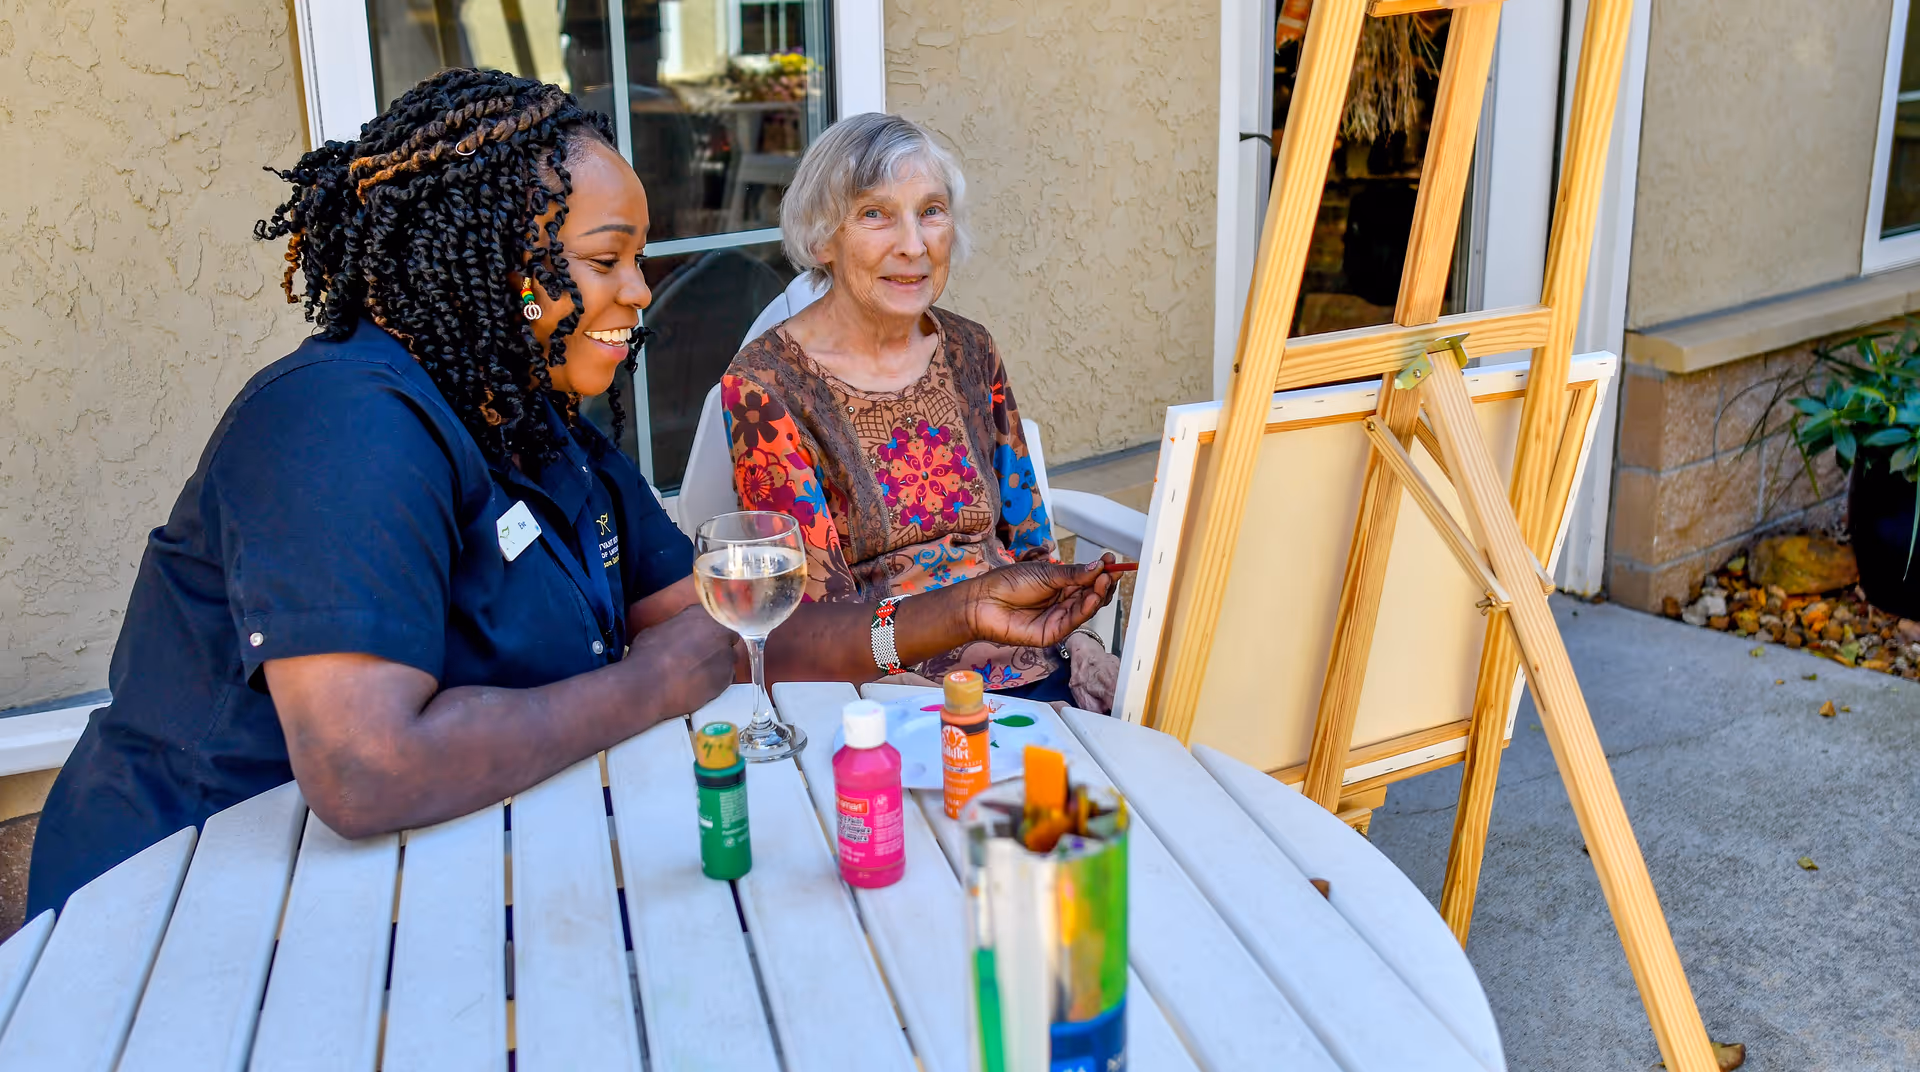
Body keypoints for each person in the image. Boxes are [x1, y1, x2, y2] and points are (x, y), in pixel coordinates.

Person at [25, 72, 1115, 916]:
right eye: (606, 260)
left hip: (429, 868)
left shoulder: (538, 429)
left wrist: (956, 613)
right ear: (500, 259)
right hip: (191, 902)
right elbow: (366, 766)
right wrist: (657, 684)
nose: (640, 292)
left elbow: (721, 626)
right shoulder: (338, 422)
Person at [720, 113, 1123, 711]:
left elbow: (1031, 542)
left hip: (1039, 669)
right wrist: (905, 699)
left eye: (930, 211)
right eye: (875, 214)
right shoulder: (767, 387)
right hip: (892, 692)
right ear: (821, 237)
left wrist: (1083, 640)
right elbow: (816, 624)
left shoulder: (970, 349)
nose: (913, 245)